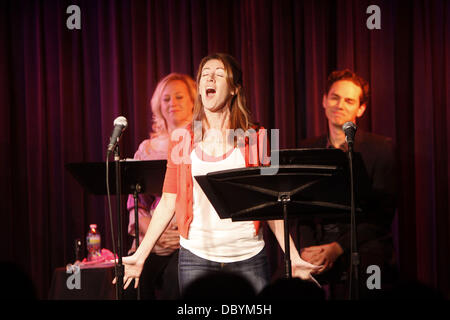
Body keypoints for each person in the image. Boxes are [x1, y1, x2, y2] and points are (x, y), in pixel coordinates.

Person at [114, 53, 320, 296]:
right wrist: (140, 255)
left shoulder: (260, 136)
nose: (210, 78)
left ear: (234, 89)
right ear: (200, 88)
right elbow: (169, 200)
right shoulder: (182, 138)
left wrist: (293, 256)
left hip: (248, 256)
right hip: (195, 257)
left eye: (219, 74)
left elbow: (273, 205)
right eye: (205, 74)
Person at [290, 69, 399, 299]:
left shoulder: (381, 149)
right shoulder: (306, 147)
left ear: (361, 108)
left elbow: (380, 217)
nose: (340, 104)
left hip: (364, 244)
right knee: (283, 286)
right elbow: (299, 210)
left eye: (349, 100)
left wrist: (337, 249)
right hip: (318, 243)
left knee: (370, 285)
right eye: (334, 97)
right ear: (324, 100)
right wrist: (309, 253)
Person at [124, 73, 196, 300]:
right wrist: (155, 234)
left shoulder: (206, 142)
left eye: (179, 97)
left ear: (193, 101)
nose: (172, 103)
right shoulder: (146, 149)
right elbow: (136, 205)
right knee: (127, 281)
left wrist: (183, 235)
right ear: (158, 105)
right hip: (154, 239)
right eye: (166, 99)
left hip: (190, 239)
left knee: (178, 281)